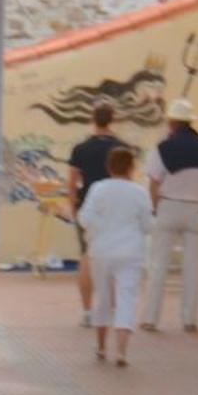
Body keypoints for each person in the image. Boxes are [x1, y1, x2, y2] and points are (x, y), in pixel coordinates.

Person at [141, 97, 198, 334]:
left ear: (172, 122)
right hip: (197, 209)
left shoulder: (162, 148)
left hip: (169, 207)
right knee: (193, 268)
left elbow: (154, 182)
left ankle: (151, 318)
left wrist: (154, 209)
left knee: (159, 266)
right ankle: (189, 319)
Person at [78, 146, 154, 368]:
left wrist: (98, 230)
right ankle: (121, 351)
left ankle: (101, 347)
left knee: (103, 298)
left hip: (101, 251)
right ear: (131, 167)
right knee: (126, 298)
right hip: (130, 251)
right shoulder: (139, 192)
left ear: (108, 167)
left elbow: (85, 218)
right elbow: (148, 225)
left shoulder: (98, 189)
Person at [67, 104, 131, 328]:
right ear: (112, 120)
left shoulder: (81, 148)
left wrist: (74, 206)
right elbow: (128, 179)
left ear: (93, 120)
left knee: (87, 257)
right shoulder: (122, 147)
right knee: (114, 258)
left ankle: (86, 311)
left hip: (89, 207)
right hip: (116, 208)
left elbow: (72, 182)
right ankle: (110, 309)